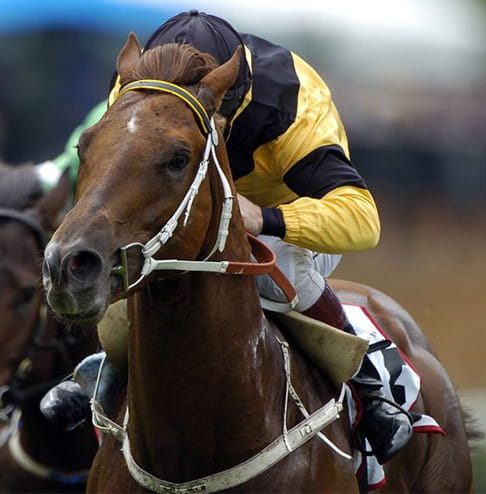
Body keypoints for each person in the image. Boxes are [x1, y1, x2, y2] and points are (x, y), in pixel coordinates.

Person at [40, 10, 413, 465]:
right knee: (141, 256)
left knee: (274, 270)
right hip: (189, 214)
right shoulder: (137, 86)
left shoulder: (291, 100)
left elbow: (361, 218)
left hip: (287, 222)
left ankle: (368, 381)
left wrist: (264, 219)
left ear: (228, 97)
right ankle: (108, 365)